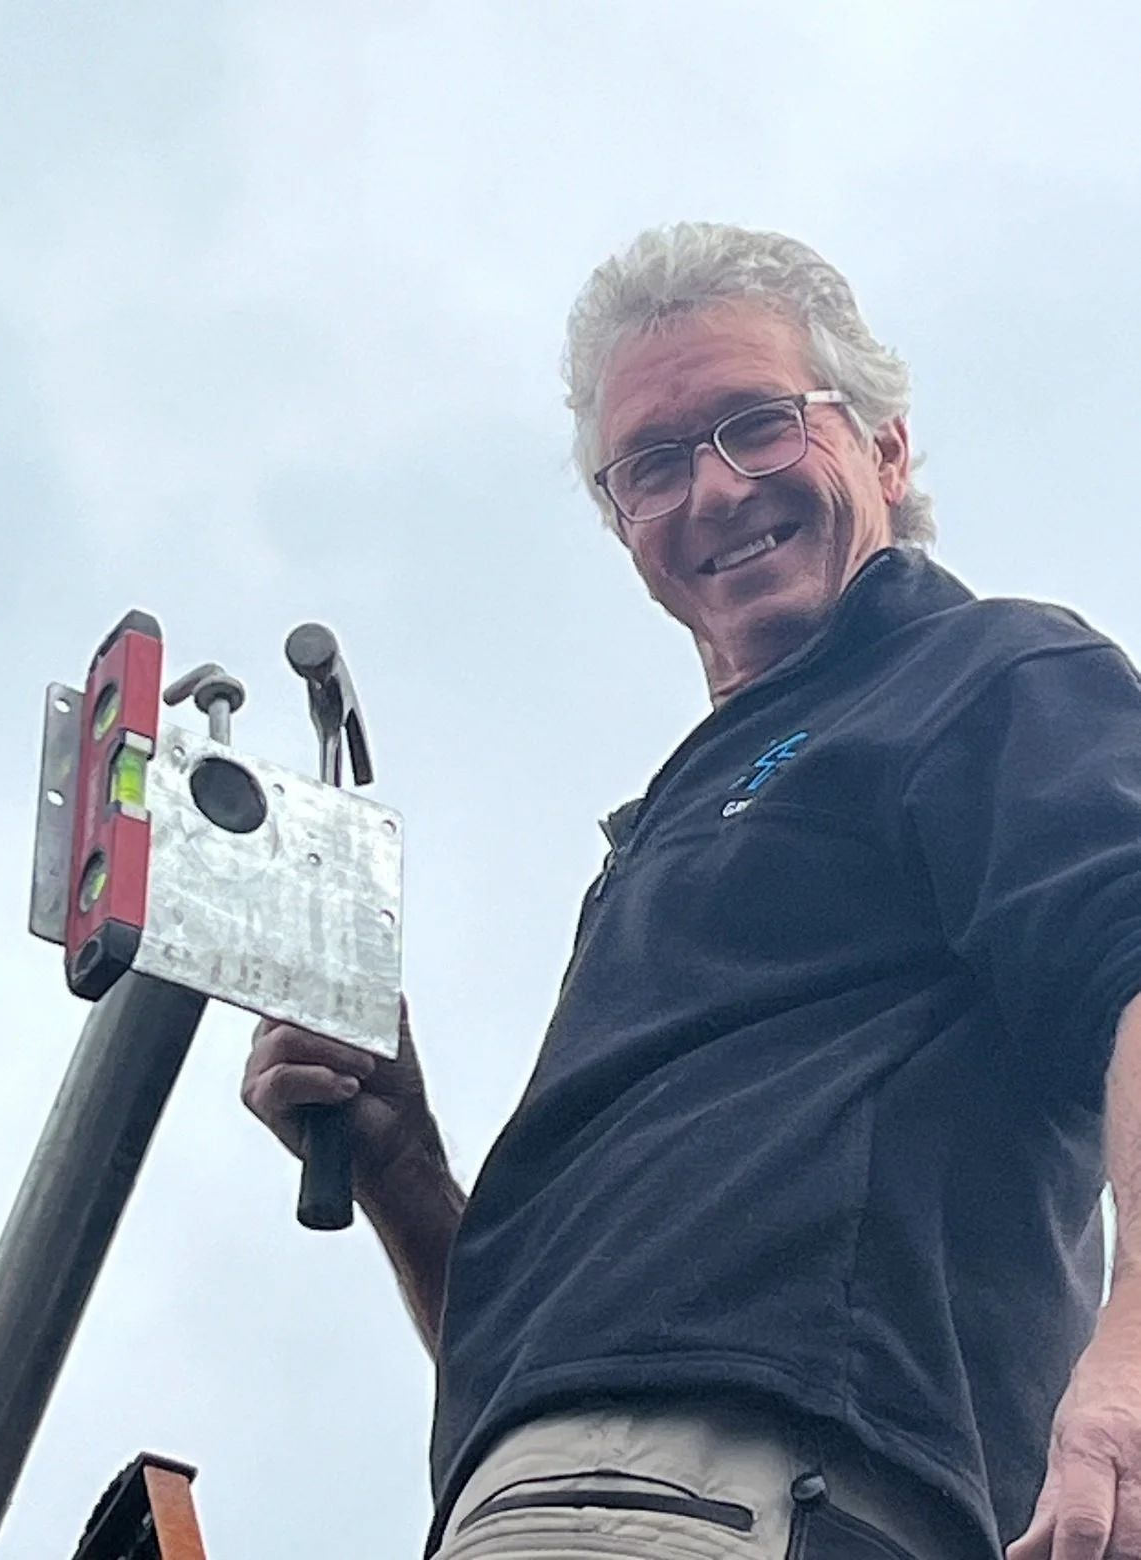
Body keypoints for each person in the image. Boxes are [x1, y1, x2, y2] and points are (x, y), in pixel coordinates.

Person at [242, 225, 1141, 1560]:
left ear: (885, 449)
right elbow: (569, 1374)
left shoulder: (982, 670)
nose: (713, 491)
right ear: (622, 528)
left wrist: (1129, 1357)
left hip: (746, 1494)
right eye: (652, 466)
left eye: (756, 425)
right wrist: (403, 1165)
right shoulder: (680, 819)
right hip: (586, 1496)